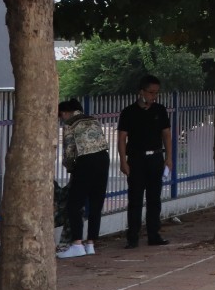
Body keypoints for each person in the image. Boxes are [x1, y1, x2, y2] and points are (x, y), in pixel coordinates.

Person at [116, 74, 172, 248]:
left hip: (155, 157)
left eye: (156, 93)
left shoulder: (160, 110)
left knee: (154, 198)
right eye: (150, 92)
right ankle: (132, 237)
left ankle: (154, 234)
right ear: (141, 92)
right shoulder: (129, 112)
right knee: (135, 199)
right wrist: (123, 161)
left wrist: (169, 158)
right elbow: (122, 138)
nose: (153, 96)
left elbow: (167, 135)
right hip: (136, 159)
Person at [57, 99, 110, 257]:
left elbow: (69, 152)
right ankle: (91, 244)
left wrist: (70, 167)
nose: (61, 119)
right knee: (96, 203)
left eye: (60, 116)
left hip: (85, 162)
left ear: (66, 112)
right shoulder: (93, 119)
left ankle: (77, 244)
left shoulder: (70, 124)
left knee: (74, 204)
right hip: (103, 159)